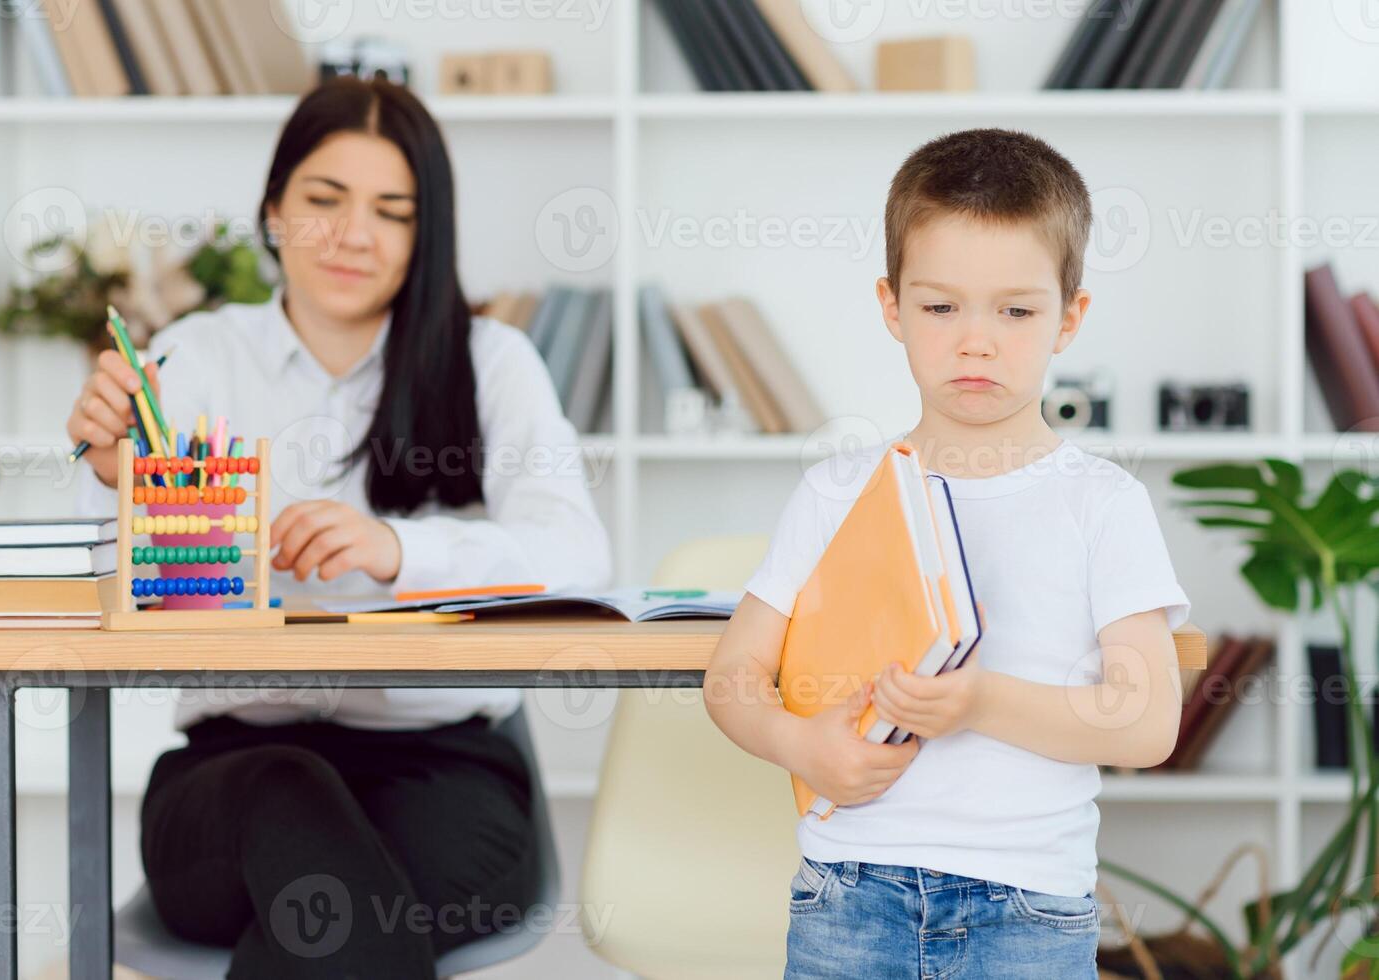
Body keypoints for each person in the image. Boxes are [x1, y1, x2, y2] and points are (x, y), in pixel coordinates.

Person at [69, 76, 611, 978]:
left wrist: (402, 550)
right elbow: (117, 588)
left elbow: (578, 557)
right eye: (324, 199)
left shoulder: (492, 363)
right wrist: (112, 477)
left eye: (392, 211)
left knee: (324, 920)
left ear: (423, 233)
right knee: (300, 819)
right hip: (234, 780)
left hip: (442, 778)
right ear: (275, 209)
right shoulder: (195, 357)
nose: (353, 234)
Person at [703, 128, 1191, 978]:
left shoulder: (1103, 504)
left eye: (1016, 310)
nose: (976, 342)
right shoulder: (836, 491)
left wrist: (975, 702)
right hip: (848, 896)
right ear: (891, 307)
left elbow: (1147, 723)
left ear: (1068, 319)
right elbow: (731, 677)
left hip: (1028, 911)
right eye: (940, 307)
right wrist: (799, 746)